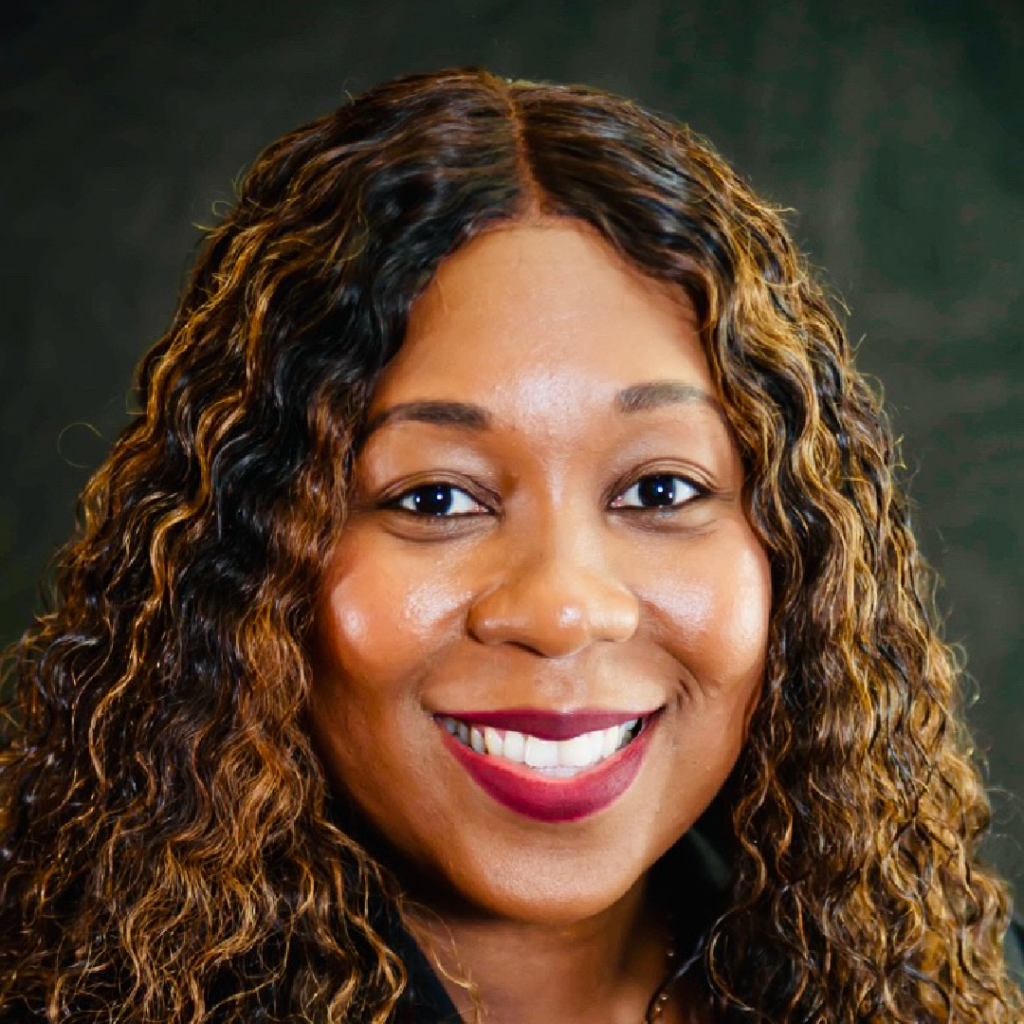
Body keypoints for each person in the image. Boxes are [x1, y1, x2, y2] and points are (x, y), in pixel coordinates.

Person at [0, 67, 1020, 1023]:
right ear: (245, 563)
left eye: (660, 487)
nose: (562, 606)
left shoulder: (965, 989)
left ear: (796, 563)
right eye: (436, 497)